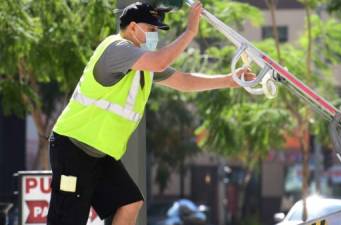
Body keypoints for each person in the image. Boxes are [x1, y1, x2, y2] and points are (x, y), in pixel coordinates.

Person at [47, 1, 255, 225]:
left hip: (99, 154)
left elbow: (184, 81)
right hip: (73, 149)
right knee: (69, 219)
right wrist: (190, 31)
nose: (155, 36)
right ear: (133, 27)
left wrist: (230, 80)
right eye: (152, 29)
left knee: (130, 202)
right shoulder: (117, 48)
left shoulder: (142, 64)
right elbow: (159, 62)